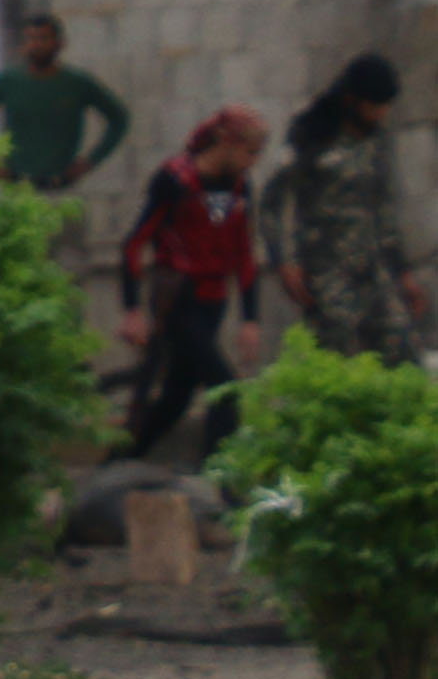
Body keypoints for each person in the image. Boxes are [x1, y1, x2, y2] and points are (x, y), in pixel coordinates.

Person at [120, 108, 269, 461]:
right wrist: (132, 309)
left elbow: (243, 252)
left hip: (213, 301)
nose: (253, 162)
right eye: (249, 153)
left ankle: (121, 460)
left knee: (176, 397)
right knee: (224, 388)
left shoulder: (238, 185)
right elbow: (134, 243)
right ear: (226, 143)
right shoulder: (174, 181)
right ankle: (221, 482)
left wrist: (250, 318)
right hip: (178, 301)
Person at [264, 54, 427, 367]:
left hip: (373, 268)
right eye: (375, 105)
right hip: (328, 271)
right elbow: (274, 201)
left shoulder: (376, 141)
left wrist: (403, 273)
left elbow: (385, 211)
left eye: (385, 106)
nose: (382, 113)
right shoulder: (311, 133)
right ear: (352, 100)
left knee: (404, 352)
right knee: (340, 358)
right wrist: (283, 261)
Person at [0, 15, 131, 193]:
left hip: (61, 184)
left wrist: (90, 161)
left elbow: (118, 118)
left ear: (59, 43)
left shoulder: (76, 83)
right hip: (16, 184)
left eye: (44, 38)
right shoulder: (9, 80)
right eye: (31, 39)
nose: (37, 45)